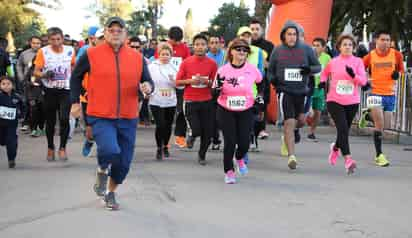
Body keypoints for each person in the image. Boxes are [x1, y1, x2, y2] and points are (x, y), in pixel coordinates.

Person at [70, 17, 154, 210]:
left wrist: (148, 87)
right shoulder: (91, 54)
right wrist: (75, 102)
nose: (115, 33)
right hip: (101, 114)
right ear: (105, 33)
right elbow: (75, 78)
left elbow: (148, 81)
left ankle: (110, 192)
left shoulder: (137, 57)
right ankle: (101, 168)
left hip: (128, 116)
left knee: (124, 163)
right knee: (110, 150)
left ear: (125, 34)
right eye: (111, 30)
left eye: (119, 30)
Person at [268, 20, 321, 170]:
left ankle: (293, 132)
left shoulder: (306, 49)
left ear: (298, 36)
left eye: (294, 34)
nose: (292, 37)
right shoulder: (278, 50)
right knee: (289, 122)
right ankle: (292, 156)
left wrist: (308, 70)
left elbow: (317, 67)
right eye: (289, 34)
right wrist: (274, 80)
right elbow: (270, 71)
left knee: (301, 121)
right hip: (285, 91)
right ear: (283, 36)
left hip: (302, 92)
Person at [213, 38, 263, 184]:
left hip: (246, 109)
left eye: (245, 50)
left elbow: (261, 83)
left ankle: (239, 158)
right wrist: (217, 87)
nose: (242, 52)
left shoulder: (252, 69)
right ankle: (229, 171)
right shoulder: (223, 70)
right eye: (238, 49)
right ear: (231, 52)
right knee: (230, 141)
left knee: (244, 142)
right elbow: (213, 94)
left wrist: (260, 97)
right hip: (225, 109)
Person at [320, 34, 367, 174]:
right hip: (334, 100)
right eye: (344, 44)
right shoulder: (333, 61)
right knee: (342, 128)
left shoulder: (358, 62)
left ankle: (335, 148)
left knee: (344, 130)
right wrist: (322, 82)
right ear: (339, 47)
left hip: (352, 101)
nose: (347, 47)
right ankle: (348, 160)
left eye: (350, 45)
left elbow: (363, 82)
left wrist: (353, 76)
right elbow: (324, 73)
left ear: (354, 47)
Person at [360, 30, 405, 167]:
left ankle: (367, 115)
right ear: (376, 41)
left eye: (388, 40)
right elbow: (360, 69)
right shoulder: (370, 56)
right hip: (375, 93)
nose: (385, 42)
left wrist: (397, 75)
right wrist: (364, 82)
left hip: (390, 94)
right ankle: (379, 155)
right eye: (383, 40)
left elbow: (401, 70)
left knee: (387, 126)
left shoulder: (396, 55)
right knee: (379, 126)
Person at [34, 27, 76, 162]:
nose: (56, 42)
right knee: (50, 121)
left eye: (58, 39)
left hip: (66, 89)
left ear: (62, 39)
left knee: (64, 119)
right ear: (48, 40)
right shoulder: (43, 52)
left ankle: (62, 148)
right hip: (50, 90)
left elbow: (74, 68)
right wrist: (45, 74)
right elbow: (36, 72)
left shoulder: (70, 51)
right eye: (52, 39)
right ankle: (50, 148)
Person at [175, 34, 218, 165]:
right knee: (197, 129)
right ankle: (192, 136)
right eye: (197, 44)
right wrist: (191, 81)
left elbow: (217, 83)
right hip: (190, 101)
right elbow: (177, 82)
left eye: (203, 45)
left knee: (208, 132)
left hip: (207, 101)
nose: (200, 47)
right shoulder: (186, 62)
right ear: (193, 47)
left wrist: (207, 81)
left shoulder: (212, 63)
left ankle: (202, 155)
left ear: (207, 47)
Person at [157, 26, 191, 148]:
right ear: (169, 38)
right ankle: (164, 138)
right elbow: (157, 64)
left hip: (180, 83)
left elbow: (188, 64)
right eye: (173, 41)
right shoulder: (163, 47)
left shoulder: (184, 48)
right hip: (165, 84)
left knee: (181, 110)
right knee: (165, 112)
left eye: (178, 41)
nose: (176, 43)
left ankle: (180, 136)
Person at [237, 26, 266, 153]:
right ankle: (240, 142)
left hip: (252, 92)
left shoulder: (258, 52)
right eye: (243, 35)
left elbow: (261, 73)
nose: (246, 38)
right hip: (235, 92)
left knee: (251, 119)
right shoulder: (232, 50)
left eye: (248, 36)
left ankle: (252, 138)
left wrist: (260, 92)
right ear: (239, 37)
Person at [148, 43, 177, 160]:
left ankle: (165, 146)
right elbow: (145, 81)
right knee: (160, 125)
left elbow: (180, 86)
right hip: (156, 100)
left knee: (168, 125)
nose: (165, 56)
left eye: (167, 54)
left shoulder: (175, 67)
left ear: (171, 56)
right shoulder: (152, 67)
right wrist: (148, 92)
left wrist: (174, 82)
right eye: (162, 54)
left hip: (170, 100)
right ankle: (159, 147)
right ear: (158, 55)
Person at [250, 19, 275, 140]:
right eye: (252, 29)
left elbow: (272, 64)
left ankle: (261, 129)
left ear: (262, 30)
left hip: (263, 80)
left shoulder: (269, 46)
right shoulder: (245, 45)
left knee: (262, 104)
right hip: (247, 81)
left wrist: (263, 63)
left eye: (257, 29)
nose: (254, 32)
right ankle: (250, 130)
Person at [306, 37, 331, 142]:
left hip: (320, 88)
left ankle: (312, 133)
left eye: (318, 45)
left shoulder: (327, 58)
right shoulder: (308, 57)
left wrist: (328, 87)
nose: (315, 48)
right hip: (308, 87)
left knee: (318, 113)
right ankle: (296, 128)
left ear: (323, 48)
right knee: (309, 112)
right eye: (314, 45)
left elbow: (329, 73)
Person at [16, 36, 42, 134]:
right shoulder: (24, 54)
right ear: (30, 43)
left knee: (40, 105)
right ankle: (29, 125)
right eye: (34, 43)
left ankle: (39, 126)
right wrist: (21, 77)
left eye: (38, 43)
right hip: (27, 83)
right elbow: (18, 65)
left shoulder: (44, 53)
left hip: (40, 84)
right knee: (29, 104)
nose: (36, 45)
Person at [0, 76, 24, 169]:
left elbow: (23, 107)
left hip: (11, 125)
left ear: (13, 85)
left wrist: (21, 116)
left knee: (11, 143)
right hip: (0, 124)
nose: (6, 86)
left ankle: (11, 159)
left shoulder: (17, 97)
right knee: (2, 140)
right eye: (3, 84)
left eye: (8, 84)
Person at [206, 35, 225, 150]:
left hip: (225, 90)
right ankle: (215, 138)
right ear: (209, 44)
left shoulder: (226, 56)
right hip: (210, 90)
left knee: (221, 116)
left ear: (220, 43)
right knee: (212, 116)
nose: (214, 45)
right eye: (212, 42)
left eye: (216, 42)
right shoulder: (206, 57)